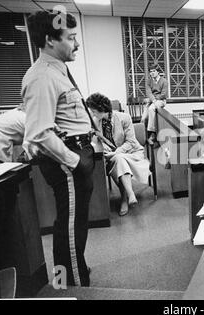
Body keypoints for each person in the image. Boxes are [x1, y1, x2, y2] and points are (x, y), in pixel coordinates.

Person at [22, 11, 94, 286]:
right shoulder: (42, 76)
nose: (77, 44)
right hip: (67, 158)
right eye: (72, 38)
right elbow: (39, 133)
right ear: (51, 40)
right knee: (71, 223)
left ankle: (72, 272)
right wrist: (75, 161)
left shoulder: (58, 70)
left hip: (75, 151)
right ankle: (72, 282)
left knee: (74, 220)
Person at [86, 93, 150, 216]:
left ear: (102, 109)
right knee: (117, 160)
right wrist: (106, 149)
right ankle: (129, 194)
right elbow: (96, 142)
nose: (92, 114)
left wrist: (115, 152)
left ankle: (125, 198)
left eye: (94, 111)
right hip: (112, 155)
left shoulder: (124, 117)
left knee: (118, 158)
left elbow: (131, 142)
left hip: (131, 152)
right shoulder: (95, 122)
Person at [141, 63, 168, 146]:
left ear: (158, 72)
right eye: (150, 71)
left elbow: (164, 94)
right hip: (152, 100)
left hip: (161, 100)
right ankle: (143, 137)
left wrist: (153, 99)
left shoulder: (164, 81)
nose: (152, 73)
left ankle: (151, 134)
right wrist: (153, 100)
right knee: (144, 117)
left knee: (151, 109)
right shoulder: (149, 81)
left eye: (153, 71)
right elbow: (148, 92)